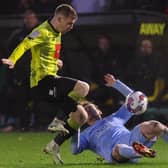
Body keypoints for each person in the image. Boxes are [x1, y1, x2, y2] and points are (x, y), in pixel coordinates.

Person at [1, 3, 89, 147]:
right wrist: (13, 58)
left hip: (51, 79)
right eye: (69, 23)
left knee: (81, 116)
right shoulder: (41, 31)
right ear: (59, 19)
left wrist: (56, 62)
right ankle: (58, 120)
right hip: (42, 83)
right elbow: (25, 44)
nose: (71, 27)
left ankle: (54, 146)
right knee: (83, 88)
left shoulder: (57, 33)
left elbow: (47, 55)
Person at [70, 74, 168, 163]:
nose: (87, 109)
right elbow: (75, 150)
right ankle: (139, 152)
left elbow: (135, 100)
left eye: (90, 107)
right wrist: (76, 126)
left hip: (133, 140)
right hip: (116, 153)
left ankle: (138, 151)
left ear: (99, 111)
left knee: (155, 125)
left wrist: (116, 84)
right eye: (85, 110)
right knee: (119, 147)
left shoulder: (115, 117)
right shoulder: (85, 134)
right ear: (84, 117)